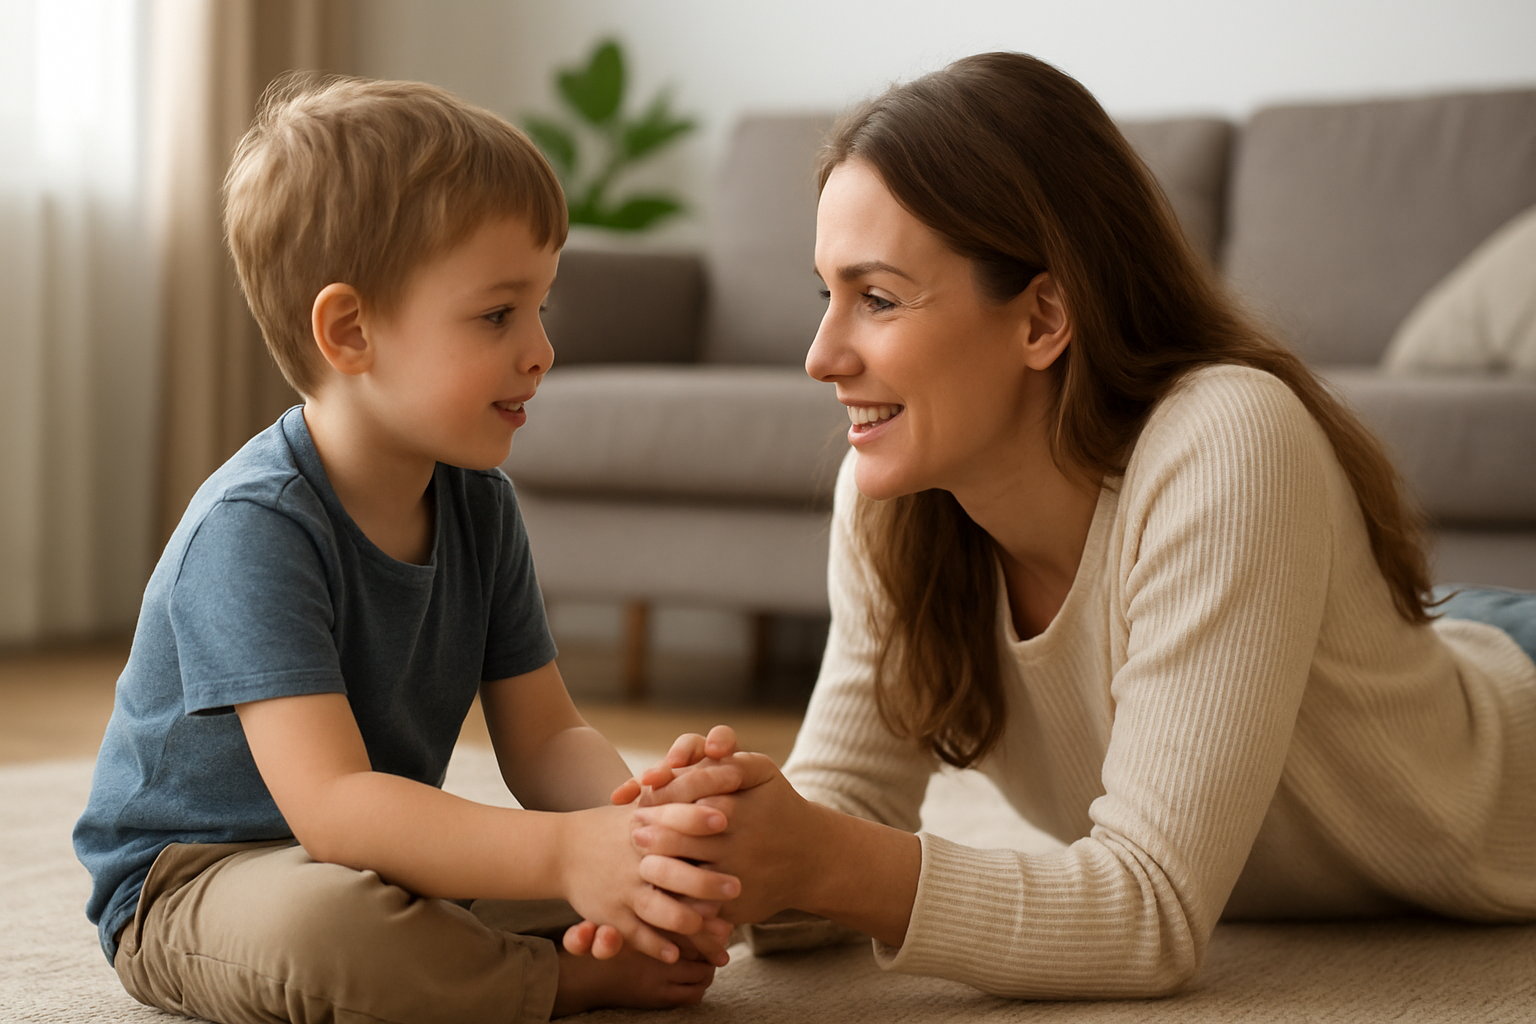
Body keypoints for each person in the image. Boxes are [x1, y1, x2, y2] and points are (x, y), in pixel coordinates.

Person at [568, 52, 1536, 998]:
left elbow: (1149, 913)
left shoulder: (1225, 438)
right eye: (829, 295)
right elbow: (846, 809)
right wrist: (717, 850)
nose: (821, 356)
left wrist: (820, 858)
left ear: (1042, 318)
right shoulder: (890, 494)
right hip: (1433, 629)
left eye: (878, 298)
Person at [72, 76, 738, 1024]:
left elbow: (546, 738)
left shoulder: (480, 505)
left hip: (382, 859)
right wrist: (565, 857)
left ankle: (573, 928)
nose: (541, 351)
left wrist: (638, 826)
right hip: (201, 882)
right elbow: (336, 805)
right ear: (350, 332)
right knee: (336, 931)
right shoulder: (253, 529)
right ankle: (551, 979)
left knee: (677, 870)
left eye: (541, 309)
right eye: (498, 315)